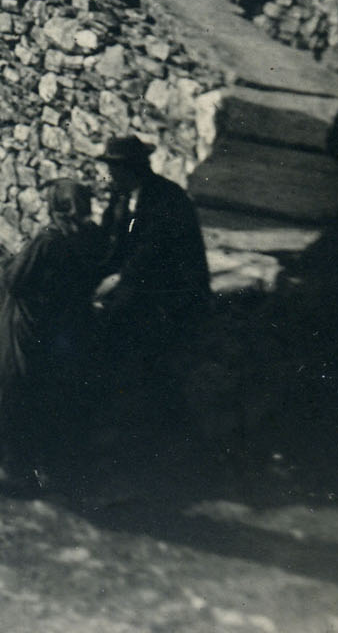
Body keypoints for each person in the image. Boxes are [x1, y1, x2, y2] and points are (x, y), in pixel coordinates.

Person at [0, 179, 106, 490]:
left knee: (18, 388)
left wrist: (2, 260)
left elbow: (16, 281)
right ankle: (51, 469)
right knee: (56, 395)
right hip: (69, 325)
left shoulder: (49, 240)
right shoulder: (92, 237)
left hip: (31, 325)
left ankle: (15, 468)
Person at [94, 133, 213, 453]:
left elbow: (150, 255)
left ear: (130, 169)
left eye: (113, 169)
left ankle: (139, 429)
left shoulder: (166, 200)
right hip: (142, 282)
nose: (109, 176)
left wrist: (115, 284)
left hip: (172, 292)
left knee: (119, 328)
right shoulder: (122, 197)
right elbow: (112, 243)